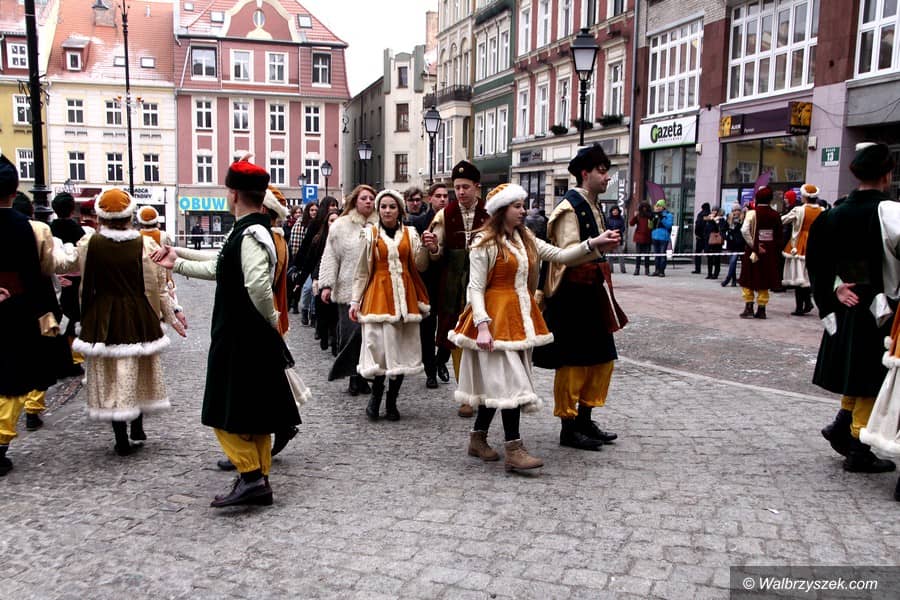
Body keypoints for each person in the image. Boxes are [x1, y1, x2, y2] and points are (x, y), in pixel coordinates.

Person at [155, 159, 302, 507]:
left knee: (224, 408)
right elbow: (219, 265)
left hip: (242, 335)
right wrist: (177, 259)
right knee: (255, 411)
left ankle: (251, 476)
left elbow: (258, 285)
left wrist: (271, 318)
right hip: (247, 334)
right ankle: (258, 479)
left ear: (233, 194)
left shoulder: (251, 234)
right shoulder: (250, 230)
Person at [451, 184, 621, 471]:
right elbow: (475, 287)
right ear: (502, 210)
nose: (523, 211)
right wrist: (482, 325)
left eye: (523, 205)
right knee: (512, 383)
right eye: (517, 206)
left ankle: (477, 438)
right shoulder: (484, 243)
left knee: (501, 383)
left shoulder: (525, 237)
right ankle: (514, 448)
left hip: (518, 317)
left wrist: (593, 244)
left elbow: (560, 256)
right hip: (495, 318)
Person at [56, 188, 186, 456]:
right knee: (137, 369)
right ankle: (137, 425)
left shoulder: (89, 243)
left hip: (102, 315)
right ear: (130, 216)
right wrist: (173, 315)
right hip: (138, 314)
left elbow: (63, 263)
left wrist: (54, 244)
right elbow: (160, 287)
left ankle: (121, 437)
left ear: (101, 217)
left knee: (111, 374)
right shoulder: (145, 245)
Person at [809, 142, 898, 475]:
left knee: (855, 368)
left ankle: (841, 425)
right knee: (872, 375)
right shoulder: (890, 212)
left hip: (847, 303)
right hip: (882, 308)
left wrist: (834, 290)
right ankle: (859, 447)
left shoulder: (833, 213)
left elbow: (817, 261)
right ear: (887, 175)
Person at [533, 144, 629, 451]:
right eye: (602, 171)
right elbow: (565, 255)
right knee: (573, 361)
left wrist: (603, 246)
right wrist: (596, 245)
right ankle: (569, 426)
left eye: (607, 171)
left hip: (593, 291)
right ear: (585, 173)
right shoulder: (568, 208)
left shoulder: (594, 204)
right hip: (571, 295)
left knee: (602, 358)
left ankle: (586, 419)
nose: (607, 177)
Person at [0, 155, 62, 474]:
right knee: (9, 380)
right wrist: (45, 311)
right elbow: (33, 273)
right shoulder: (21, 227)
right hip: (13, 310)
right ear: (14, 192)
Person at [350, 189, 430, 421]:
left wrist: (427, 247)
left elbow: (421, 265)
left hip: (405, 298)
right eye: (383, 206)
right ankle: (375, 397)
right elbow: (362, 271)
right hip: (378, 296)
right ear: (378, 209)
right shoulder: (370, 234)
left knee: (401, 350)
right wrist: (355, 300)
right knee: (379, 350)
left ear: (400, 210)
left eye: (392, 207)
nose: (387, 211)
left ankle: (392, 400)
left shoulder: (411, 234)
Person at [422, 161, 491, 417]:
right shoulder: (445, 215)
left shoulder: (490, 213)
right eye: (457, 187)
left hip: (485, 285)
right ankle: (466, 394)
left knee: (484, 336)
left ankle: (484, 390)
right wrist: (433, 247)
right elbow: (436, 253)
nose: (460, 192)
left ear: (477, 187)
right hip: (453, 286)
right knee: (460, 340)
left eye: (465, 187)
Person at [319, 185, 379, 396]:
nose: (368, 201)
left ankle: (364, 375)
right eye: (364, 198)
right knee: (350, 334)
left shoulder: (380, 224)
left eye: (371, 198)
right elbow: (330, 256)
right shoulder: (341, 226)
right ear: (355, 201)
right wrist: (327, 285)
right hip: (347, 288)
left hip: (374, 289)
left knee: (369, 336)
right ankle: (353, 376)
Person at [413, 183, 450, 388]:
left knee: (449, 325)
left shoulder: (453, 221)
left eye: (445, 196)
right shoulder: (419, 222)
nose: (443, 199)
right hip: (426, 282)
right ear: (430, 199)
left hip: (448, 281)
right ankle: (430, 371)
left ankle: (441, 360)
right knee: (427, 329)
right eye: (438, 196)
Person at [51, 191, 87, 374]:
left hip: (56, 278)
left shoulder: (49, 228)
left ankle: (60, 358)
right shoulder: (78, 230)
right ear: (72, 209)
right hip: (75, 280)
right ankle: (75, 359)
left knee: (59, 317)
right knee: (74, 319)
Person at [738, 187, 782, 319]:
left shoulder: (752, 213)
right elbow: (779, 234)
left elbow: (744, 230)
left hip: (753, 252)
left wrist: (754, 245)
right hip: (768, 252)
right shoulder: (775, 214)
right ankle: (762, 308)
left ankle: (749, 306)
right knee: (764, 279)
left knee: (748, 278)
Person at [781, 184, 824, 316]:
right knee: (807, 276)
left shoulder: (799, 210)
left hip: (799, 243)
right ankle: (807, 303)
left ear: (805, 196)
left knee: (798, 276)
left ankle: (800, 306)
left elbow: (784, 220)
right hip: (816, 243)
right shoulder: (822, 210)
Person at [289, 201, 319, 318]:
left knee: (313, 289)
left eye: (316, 210)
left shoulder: (320, 223)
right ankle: (303, 309)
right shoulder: (300, 224)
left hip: (315, 260)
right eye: (312, 210)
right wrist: (298, 262)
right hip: (304, 259)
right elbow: (297, 245)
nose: (314, 212)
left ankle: (312, 313)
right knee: (306, 288)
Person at [721, 204, 744, 287]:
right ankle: (733, 280)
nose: (736, 212)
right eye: (734, 210)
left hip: (741, 244)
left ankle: (729, 278)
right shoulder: (729, 219)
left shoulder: (743, 219)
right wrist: (726, 237)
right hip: (731, 244)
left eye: (738, 210)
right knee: (732, 262)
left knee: (735, 262)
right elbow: (723, 230)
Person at [650, 199, 673, 277]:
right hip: (655, 237)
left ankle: (662, 271)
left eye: (660, 206)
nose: (658, 207)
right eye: (657, 206)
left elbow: (669, 225)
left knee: (662, 254)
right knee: (656, 255)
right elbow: (650, 226)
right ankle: (656, 270)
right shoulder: (655, 215)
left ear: (663, 207)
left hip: (664, 237)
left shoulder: (668, 215)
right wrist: (650, 219)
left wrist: (662, 218)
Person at [629, 201, 652, 276]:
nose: (644, 209)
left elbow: (653, 225)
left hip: (648, 238)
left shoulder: (650, 216)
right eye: (643, 207)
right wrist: (635, 216)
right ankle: (637, 269)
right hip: (639, 238)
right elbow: (631, 223)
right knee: (638, 255)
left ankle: (647, 270)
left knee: (647, 256)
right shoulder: (638, 216)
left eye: (646, 207)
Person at [704, 207, 726, 279]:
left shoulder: (720, 219)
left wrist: (715, 221)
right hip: (709, 241)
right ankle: (709, 273)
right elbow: (706, 229)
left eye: (715, 210)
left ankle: (716, 273)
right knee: (709, 258)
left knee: (716, 258)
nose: (713, 212)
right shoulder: (709, 219)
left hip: (716, 241)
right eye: (712, 210)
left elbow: (721, 229)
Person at [606, 205, 627, 274]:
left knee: (620, 254)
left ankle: (623, 269)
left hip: (618, 238)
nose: (615, 212)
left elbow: (623, 228)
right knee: (609, 255)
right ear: (611, 211)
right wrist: (611, 232)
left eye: (616, 210)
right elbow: (606, 228)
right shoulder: (608, 219)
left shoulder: (621, 219)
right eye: (613, 210)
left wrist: (618, 231)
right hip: (610, 238)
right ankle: (610, 269)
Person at [693, 202, 711, 274]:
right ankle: (710, 271)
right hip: (708, 237)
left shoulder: (700, 215)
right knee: (709, 254)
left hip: (700, 237)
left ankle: (697, 269)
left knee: (698, 253)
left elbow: (697, 225)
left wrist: (697, 234)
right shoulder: (710, 215)